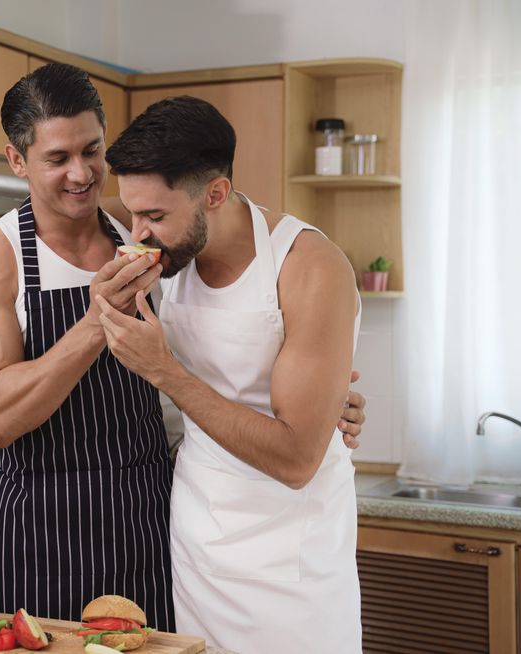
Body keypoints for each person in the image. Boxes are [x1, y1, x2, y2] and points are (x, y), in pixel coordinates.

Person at [0, 64, 367, 634]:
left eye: (92, 151)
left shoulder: (141, 233)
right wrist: (97, 320)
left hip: (150, 527)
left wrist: (328, 397)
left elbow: (239, 304)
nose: (81, 175)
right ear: (16, 161)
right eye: (57, 158)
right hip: (38, 532)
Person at [95, 96, 364, 653]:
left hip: (293, 564)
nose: (137, 234)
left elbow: (295, 459)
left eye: (155, 217)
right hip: (197, 546)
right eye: (131, 213)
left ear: (215, 193)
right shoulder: (169, 258)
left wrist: (163, 370)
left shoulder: (308, 266)